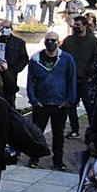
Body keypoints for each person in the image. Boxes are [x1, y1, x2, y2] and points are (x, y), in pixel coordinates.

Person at [26, 31, 78, 170]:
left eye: (53, 40)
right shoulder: (36, 59)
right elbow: (30, 81)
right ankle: (34, 158)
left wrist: (69, 100)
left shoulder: (67, 59)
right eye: (48, 40)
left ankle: (58, 161)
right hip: (41, 103)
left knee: (58, 134)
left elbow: (71, 80)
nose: (50, 43)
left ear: (58, 42)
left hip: (59, 104)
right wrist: (34, 100)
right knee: (37, 132)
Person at [62, 15, 97, 139]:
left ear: (84, 26)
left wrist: (89, 70)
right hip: (71, 79)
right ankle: (74, 129)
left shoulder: (93, 41)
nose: (76, 27)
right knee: (71, 106)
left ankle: (92, 131)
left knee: (90, 108)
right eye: (75, 25)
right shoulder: (68, 40)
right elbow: (62, 55)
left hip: (86, 80)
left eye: (78, 25)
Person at [0, 19, 28, 101]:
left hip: (10, 75)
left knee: (9, 98)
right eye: (2, 27)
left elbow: (24, 58)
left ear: (11, 28)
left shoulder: (19, 42)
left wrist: (16, 70)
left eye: (7, 27)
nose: (4, 29)